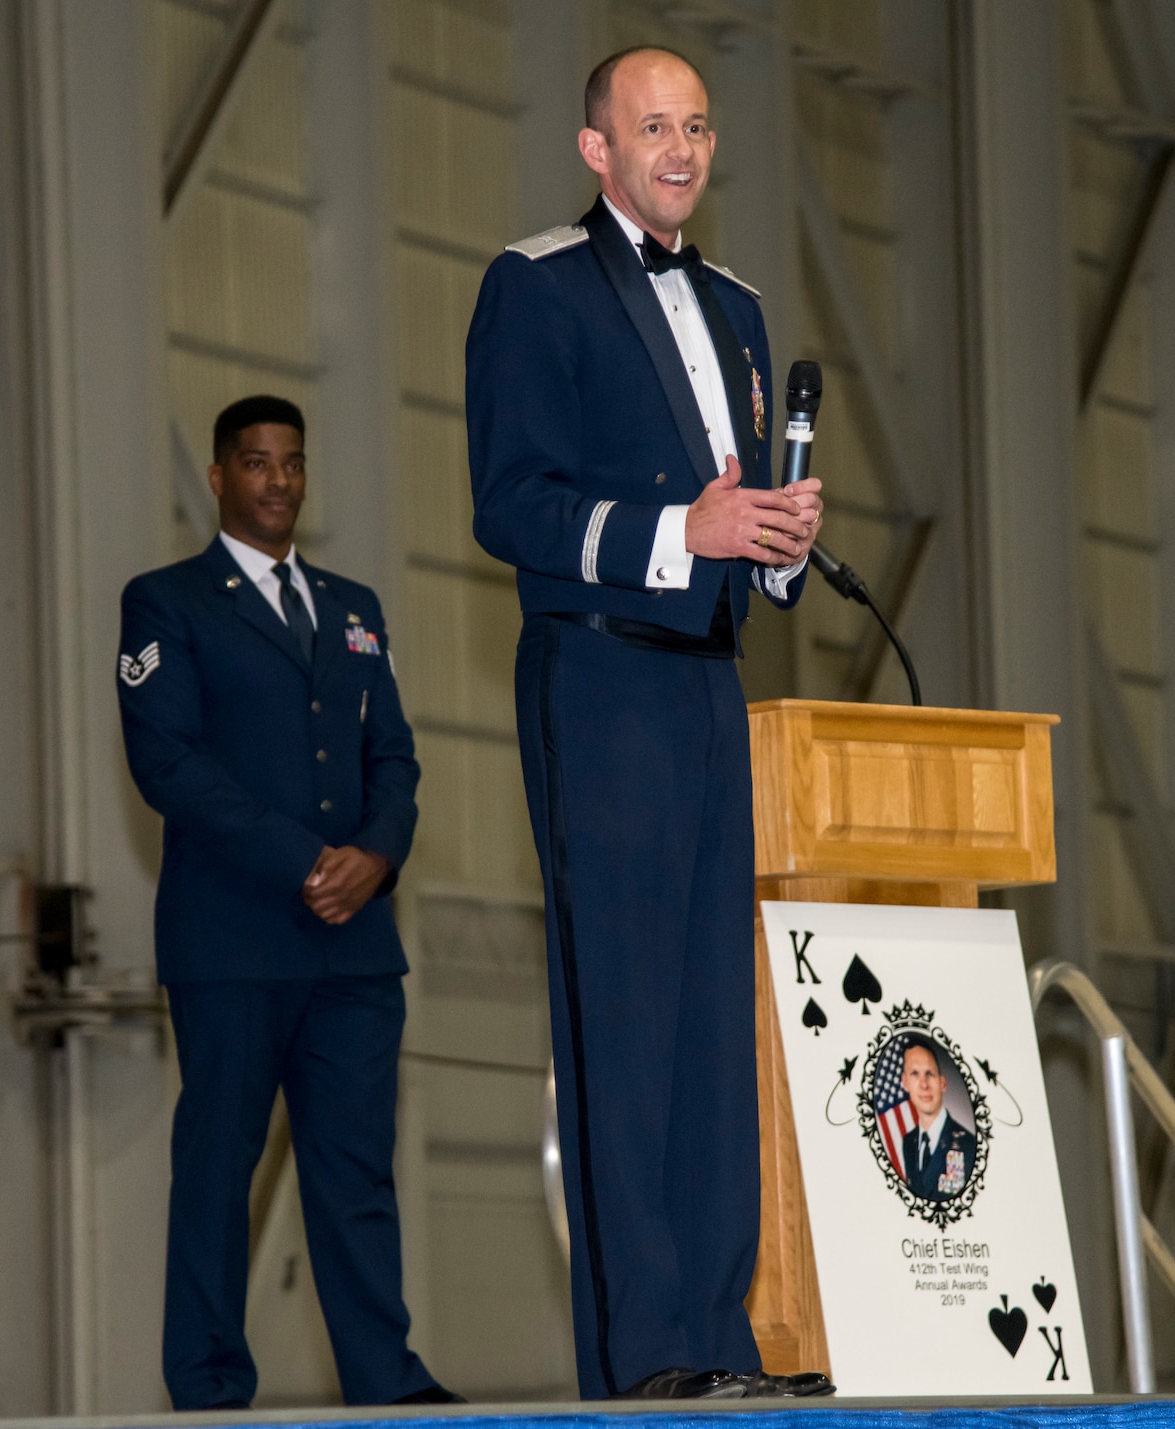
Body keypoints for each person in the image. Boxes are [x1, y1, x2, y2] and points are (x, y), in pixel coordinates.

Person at [465, 46, 832, 1401]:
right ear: (595, 149)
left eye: (696, 126)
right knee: (620, 1016)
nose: (680, 147)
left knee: (705, 1024)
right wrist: (689, 529)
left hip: (706, 680)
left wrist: (778, 540)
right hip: (599, 674)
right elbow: (509, 502)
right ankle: (647, 1354)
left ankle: (722, 1337)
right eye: (651, 125)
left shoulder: (735, 306)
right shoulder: (535, 286)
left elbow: (742, 529)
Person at [116, 395, 459, 1410]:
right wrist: (308, 859)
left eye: (292, 463)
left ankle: (382, 1382)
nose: (277, 481)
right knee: (218, 1170)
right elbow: (165, 760)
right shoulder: (165, 601)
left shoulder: (354, 608)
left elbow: (393, 755)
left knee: (355, 1178)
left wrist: (377, 859)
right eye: (256, 463)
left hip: (354, 951)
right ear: (218, 477)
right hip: (233, 941)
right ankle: (210, 1384)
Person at [899, 1039, 979, 1203]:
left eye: (930, 1074)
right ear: (905, 1083)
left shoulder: (968, 1145)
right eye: (915, 1074)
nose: (924, 1085)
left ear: (942, 1083)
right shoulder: (909, 1142)